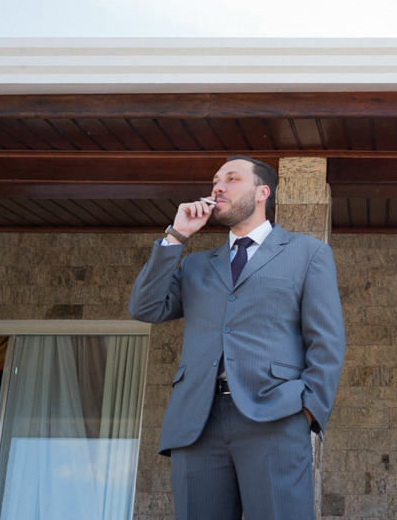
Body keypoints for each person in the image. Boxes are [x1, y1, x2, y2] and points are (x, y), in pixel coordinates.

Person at [129, 154, 345, 520]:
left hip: (275, 417)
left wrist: (307, 411)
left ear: (262, 192)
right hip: (198, 423)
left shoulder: (308, 253)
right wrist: (176, 235)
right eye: (215, 180)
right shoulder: (196, 264)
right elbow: (145, 308)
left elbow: (327, 341)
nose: (218, 186)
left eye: (231, 178)